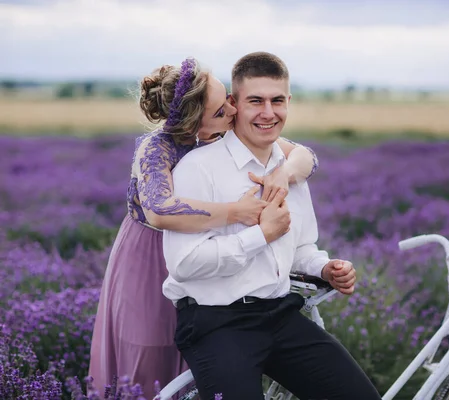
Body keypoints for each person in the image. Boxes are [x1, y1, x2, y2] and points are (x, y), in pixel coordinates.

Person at [88, 57, 320, 397]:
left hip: (208, 252)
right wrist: (236, 212)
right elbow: (159, 210)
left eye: (228, 96)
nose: (232, 109)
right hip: (151, 257)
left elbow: (305, 156)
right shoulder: (158, 147)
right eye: (220, 109)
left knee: (205, 358)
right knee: (151, 350)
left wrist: (282, 173)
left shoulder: (219, 132)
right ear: (191, 123)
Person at [163, 52, 380, 400]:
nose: (268, 112)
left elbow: (302, 247)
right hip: (215, 322)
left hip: (279, 314)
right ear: (233, 104)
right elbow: (184, 264)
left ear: (288, 102)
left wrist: (324, 267)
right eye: (255, 101)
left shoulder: (288, 168)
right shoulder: (198, 169)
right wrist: (260, 235)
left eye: (277, 100)